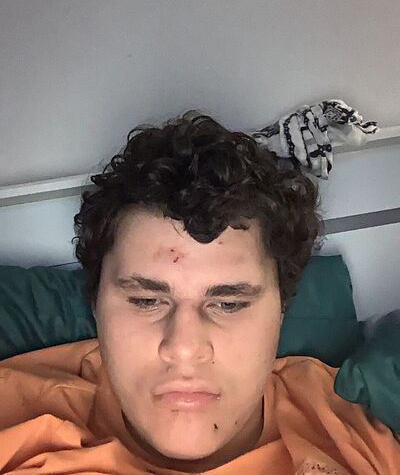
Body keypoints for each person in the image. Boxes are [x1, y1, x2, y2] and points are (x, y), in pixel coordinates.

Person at [0, 111, 399, 474]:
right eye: (146, 301)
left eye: (228, 303)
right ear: (95, 304)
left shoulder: (362, 431)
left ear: (281, 307)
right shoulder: (17, 428)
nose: (184, 349)